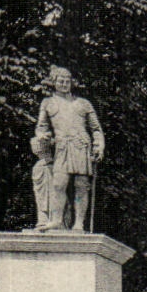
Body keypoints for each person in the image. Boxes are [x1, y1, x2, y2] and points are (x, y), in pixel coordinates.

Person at [35, 66, 105, 231]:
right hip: (62, 146)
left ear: (71, 83)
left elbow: (96, 129)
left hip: (81, 145)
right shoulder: (48, 103)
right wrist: (41, 135)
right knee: (59, 183)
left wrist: (99, 146)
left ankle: (79, 223)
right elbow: (41, 127)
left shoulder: (83, 104)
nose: (64, 84)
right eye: (61, 81)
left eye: (67, 81)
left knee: (81, 185)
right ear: (54, 83)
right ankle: (57, 220)